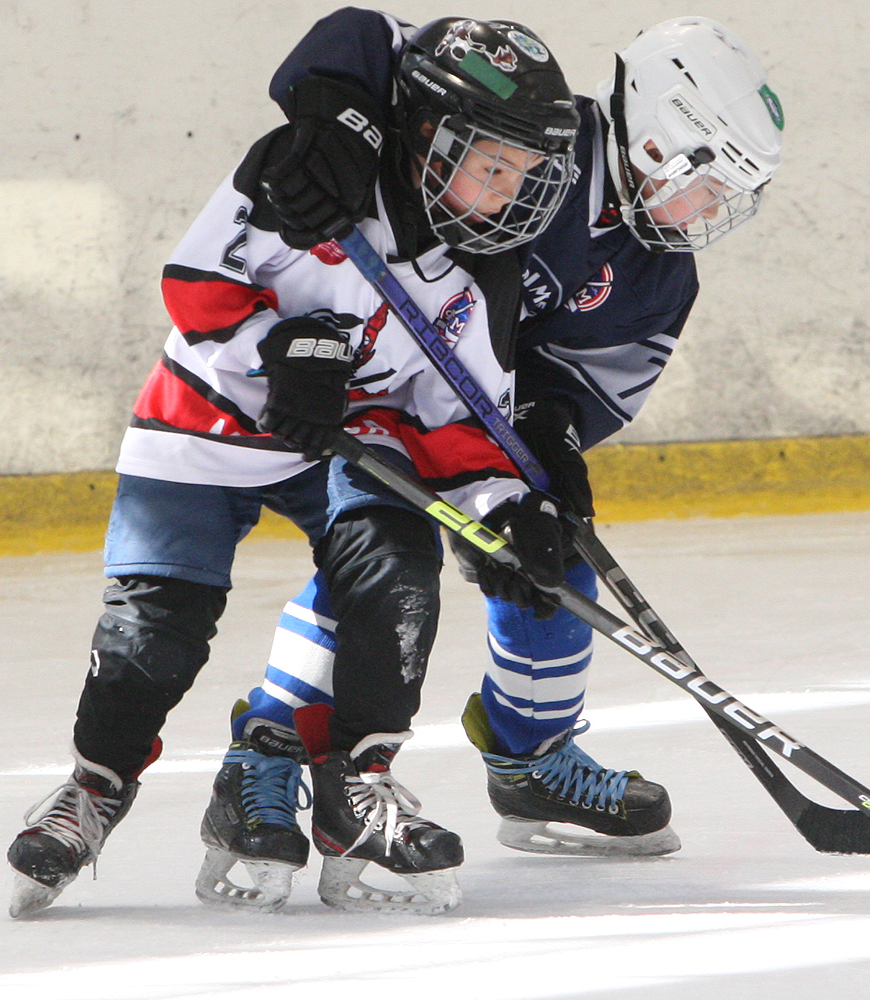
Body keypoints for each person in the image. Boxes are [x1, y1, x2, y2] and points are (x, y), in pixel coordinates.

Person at [197, 13, 784, 908]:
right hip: (373, 389)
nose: (709, 214)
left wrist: (555, 434)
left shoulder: (664, 273)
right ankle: (268, 744)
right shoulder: (530, 136)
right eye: (707, 189)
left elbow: (594, 377)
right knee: (380, 558)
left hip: (489, 423)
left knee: (554, 558)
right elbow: (373, 42)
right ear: (663, 140)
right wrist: (331, 115)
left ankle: (530, 759)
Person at [5, 12, 580, 919]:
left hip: (352, 441)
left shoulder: (484, 270)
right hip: (207, 420)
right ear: (429, 137)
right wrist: (282, 352)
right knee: (153, 632)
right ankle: (94, 786)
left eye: (525, 174)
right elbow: (195, 286)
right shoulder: (304, 172)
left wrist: (508, 506)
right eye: (494, 165)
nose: (512, 194)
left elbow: (453, 415)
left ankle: (358, 786)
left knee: (398, 579)